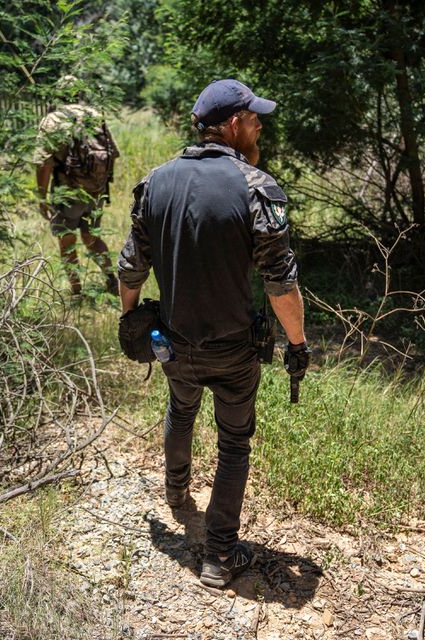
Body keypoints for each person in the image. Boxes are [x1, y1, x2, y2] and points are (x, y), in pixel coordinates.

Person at [117, 79, 310, 588]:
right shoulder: (256, 186)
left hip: (172, 343)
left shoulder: (154, 182)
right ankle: (220, 555)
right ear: (232, 125)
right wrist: (297, 343)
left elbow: (131, 268)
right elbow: (280, 283)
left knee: (181, 409)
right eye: (254, 119)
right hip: (233, 350)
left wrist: (130, 320)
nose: (260, 126)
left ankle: (177, 494)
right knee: (234, 443)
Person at [34, 78, 120, 297]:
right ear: (79, 94)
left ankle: (76, 292)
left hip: (68, 192)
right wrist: (99, 183)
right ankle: (111, 279)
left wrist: (42, 198)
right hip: (96, 191)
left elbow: (44, 164)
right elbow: (113, 153)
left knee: (67, 241)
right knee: (92, 237)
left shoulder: (52, 120)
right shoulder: (95, 115)